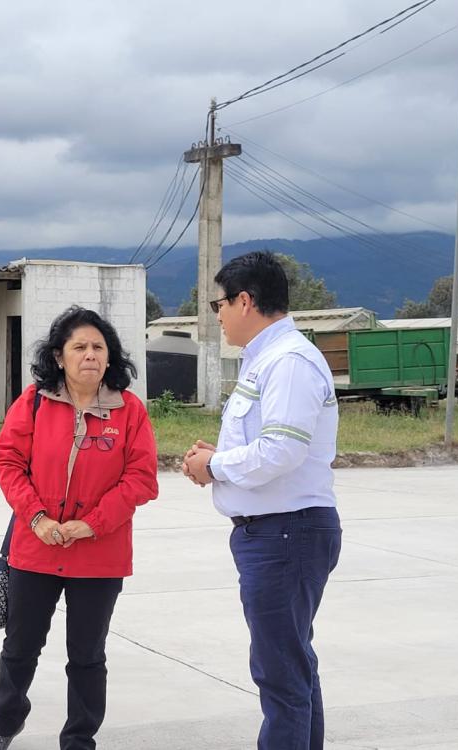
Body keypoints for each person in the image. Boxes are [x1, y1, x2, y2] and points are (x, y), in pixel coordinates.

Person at [182, 251, 342, 750]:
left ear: (245, 300)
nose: (218, 313)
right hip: (278, 532)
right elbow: (272, 442)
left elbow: (283, 449)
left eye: (220, 302)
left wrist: (216, 466)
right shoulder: (268, 359)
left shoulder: (288, 362)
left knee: (279, 673)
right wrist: (222, 455)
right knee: (291, 665)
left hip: (285, 533)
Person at [0, 306, 158, 750]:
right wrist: (37, 518)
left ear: (110, 357)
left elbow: (142, 479)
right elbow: (8, 462)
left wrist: (91, 525)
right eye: (79, 347)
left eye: (98, 347)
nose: (90, 355)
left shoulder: (130, 411)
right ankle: (5, 724)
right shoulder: (35, 401)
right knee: (20, 648)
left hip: (99, 555)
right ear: (59, 356)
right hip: (35, 547)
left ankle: (79, 739)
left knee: (87, 656)